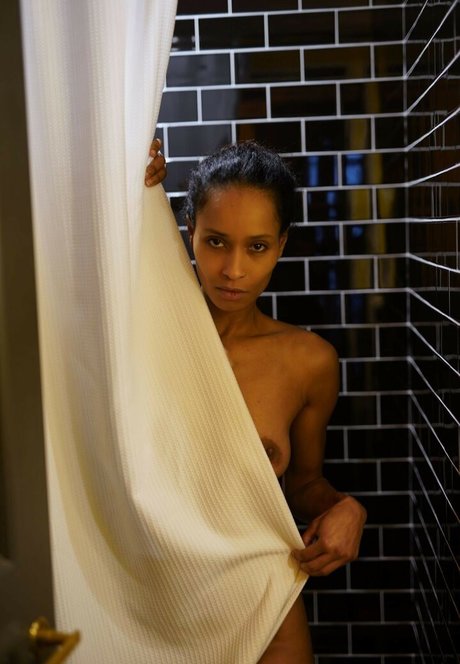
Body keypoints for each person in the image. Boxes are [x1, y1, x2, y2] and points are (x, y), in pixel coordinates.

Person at [145, 138, 367, 663]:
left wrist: (346, 508)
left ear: (282, 244)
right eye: (216, 242)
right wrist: (123, 185)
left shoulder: (308, 362)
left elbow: (303, 485)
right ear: (190, 231)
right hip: (145, 598)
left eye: (258, 247)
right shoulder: (141, 341)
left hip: (262, 602)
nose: (233, 270)